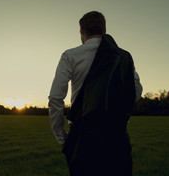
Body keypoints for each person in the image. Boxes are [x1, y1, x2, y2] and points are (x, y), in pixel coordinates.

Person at [48, 11, 142, 176]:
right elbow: (136, 91)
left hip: (83, 138)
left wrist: (62, 139)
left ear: (82, 31)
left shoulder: (70, 55)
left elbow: (56, 99)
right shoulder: (123, 56)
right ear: (104, 30)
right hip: (117, 135)